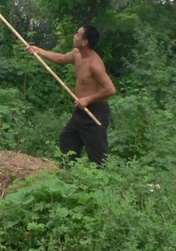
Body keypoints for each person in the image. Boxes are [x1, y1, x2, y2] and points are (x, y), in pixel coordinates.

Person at [27, 25, 116, 165]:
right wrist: (39, 51)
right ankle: (69, 175)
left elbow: (110, 89)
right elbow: (61, 59)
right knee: (67, 139)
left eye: (78, 34)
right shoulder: (77, 53)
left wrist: (88, 99)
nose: (74, 36)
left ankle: (102, 183)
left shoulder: (94, 64)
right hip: (79, 112)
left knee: (98, 158)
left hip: (95, 112)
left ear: (84, 42)